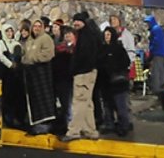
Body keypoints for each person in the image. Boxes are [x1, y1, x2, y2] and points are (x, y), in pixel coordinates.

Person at [61, 12, 100, 142]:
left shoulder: (85, 36)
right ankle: (90, 130)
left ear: (83, 22)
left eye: (78, 21)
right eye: (74, 21)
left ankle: (73, 131)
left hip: (83, 73)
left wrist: (75, 69)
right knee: (87, 102)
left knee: (79, 102)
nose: (75, 23)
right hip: (89, 72)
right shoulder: (91, 33)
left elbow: (84, 56)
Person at [21, 19, 56, 138]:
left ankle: (45, 125)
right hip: (31, 74)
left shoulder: (46, 39)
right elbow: (25, 54)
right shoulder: (30, 40)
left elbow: (49, 54)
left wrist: (33, 59)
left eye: (38, 26)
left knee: (44, 99)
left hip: (42, 73)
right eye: (34, 26)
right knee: (34, 100)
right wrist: (25, 60)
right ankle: (35, 125)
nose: (36, 28)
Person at [98, 27, 132, 136]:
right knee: (107, 105)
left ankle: (123, 125)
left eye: (108, 34)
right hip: (105, 82)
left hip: (117, 83)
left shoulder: (118, 48)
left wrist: (113, 67)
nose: (106, 37)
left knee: (120, 105)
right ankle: (109, 124)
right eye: (105, 34)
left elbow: (125, 62)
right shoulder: (102, 49)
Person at [0, 23, 24, 129]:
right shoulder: (0, 43)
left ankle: (16, 118)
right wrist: (10, 64)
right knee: (6, 97)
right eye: (7, 31)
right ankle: (7, 119)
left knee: (16, 97)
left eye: (11, 31)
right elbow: (0, 56)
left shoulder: (16, 43)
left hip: (16, 75)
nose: (9, 33)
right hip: (6, 74)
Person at [143, 15, 164, 94]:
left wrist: (151, 52)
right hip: (161, 53)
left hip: (157, 53)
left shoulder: (155, 29)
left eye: (147, 23)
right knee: (160, 71)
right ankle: (163, 88)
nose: (147, 24)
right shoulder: (158, 29)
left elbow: (155, 42)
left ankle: (157, 89)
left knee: (156, 72)